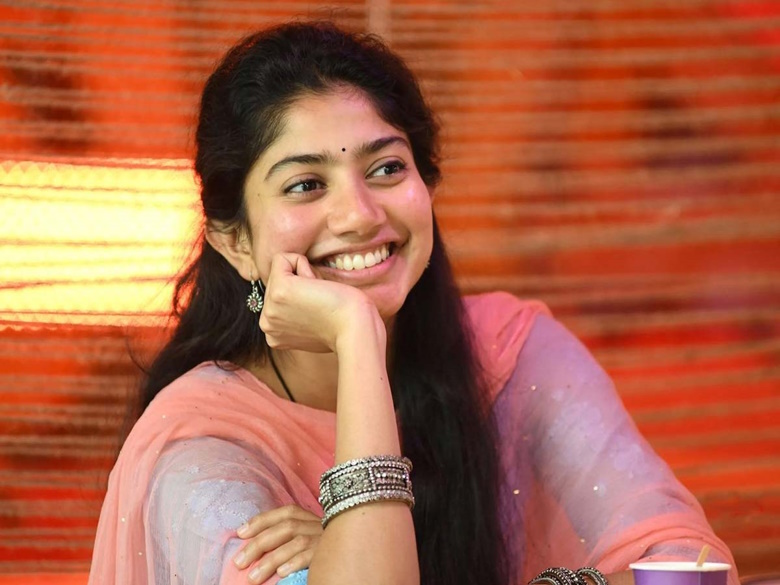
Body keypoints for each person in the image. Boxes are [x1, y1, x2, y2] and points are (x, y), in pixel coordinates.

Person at [87, 21, 738, 585]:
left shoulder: (511, 354)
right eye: (306, 184)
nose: (360, 214)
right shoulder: (201, 449)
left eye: (386, 169)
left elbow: (691, 567)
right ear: (235, 242)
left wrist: (352, 547)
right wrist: (356, 337)